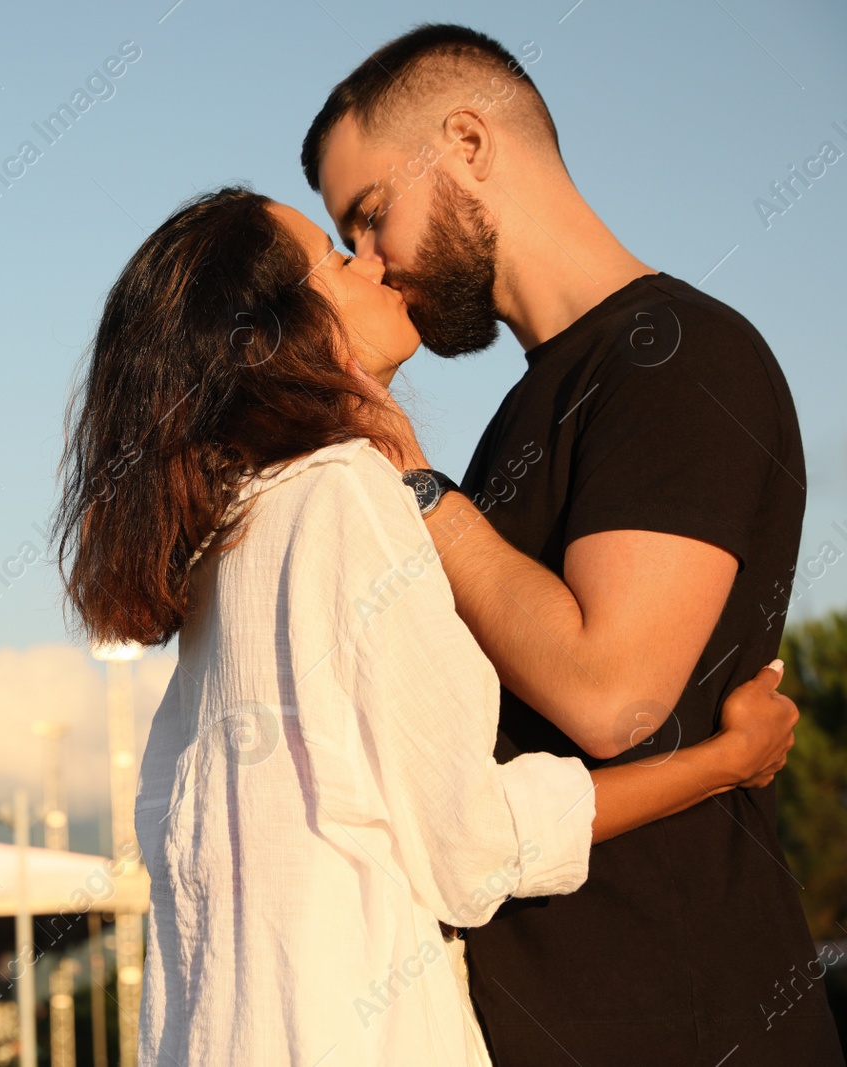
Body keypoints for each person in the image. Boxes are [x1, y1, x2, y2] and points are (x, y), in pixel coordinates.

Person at [53, 185, 799, 1066]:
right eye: (336, 257)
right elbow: (473, 844)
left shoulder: (225, 550)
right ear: (278, 331)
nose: (369, 260)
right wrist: (722, 763)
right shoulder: (342, 496)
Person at [301, 23, 843, 1066]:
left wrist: (413, 478)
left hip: (687, 1017)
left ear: (464, 142)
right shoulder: (527, 408)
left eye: (371, 218)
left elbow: (612, 692)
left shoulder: (679, 358)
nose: (371, 263)